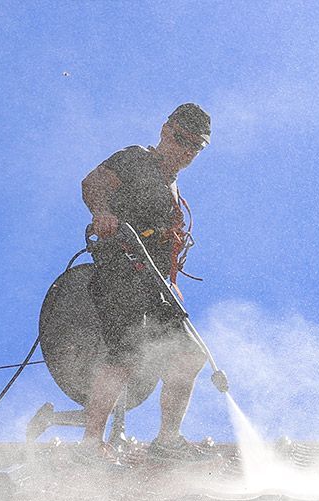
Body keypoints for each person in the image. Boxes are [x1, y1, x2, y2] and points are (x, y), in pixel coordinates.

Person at [81, 103, 212, 457]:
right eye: (182, 140)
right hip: (120, 271)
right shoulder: (136, 158)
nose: (185, 151)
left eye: (195, 147)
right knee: (125, 352)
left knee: (189, 354)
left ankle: (167, 440)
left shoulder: (172, 187)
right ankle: (91, 444)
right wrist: (102, 212)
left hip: (156, 285)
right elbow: (94, 183)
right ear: (165, 130)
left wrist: (170, 282)